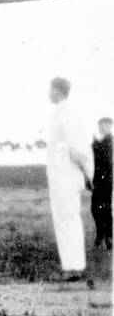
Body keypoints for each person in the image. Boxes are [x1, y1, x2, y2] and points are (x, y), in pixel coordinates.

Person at [45, 78, 95, 281]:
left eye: (50, 89)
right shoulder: (60, 113)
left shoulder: (68, 114)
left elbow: (76, 149)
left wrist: (88, 175)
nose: (48, 93)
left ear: (58, 91)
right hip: (60, 176)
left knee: (68, 218)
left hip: (67, 176)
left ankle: (75, 267)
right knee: (63, 219)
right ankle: (70, 266)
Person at [91, 116, 112, 251]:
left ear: (109, 126)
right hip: (99, 181)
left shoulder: (110, 141)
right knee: (96, 209)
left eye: (104, 124)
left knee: (104, 209)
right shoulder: (100, 142)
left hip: (108, 181)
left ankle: (107, 237)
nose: (101, 127)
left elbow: (104, 159)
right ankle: (102, 235)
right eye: (100, 125)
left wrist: (95, 146)